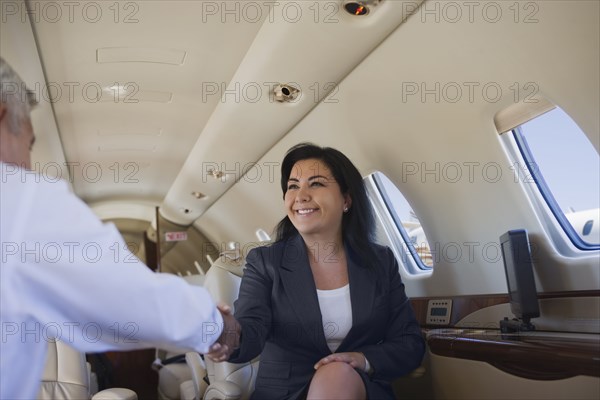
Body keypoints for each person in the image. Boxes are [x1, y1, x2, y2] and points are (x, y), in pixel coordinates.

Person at [0, 57, 240, 399]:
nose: (28, 163)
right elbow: (129, 299)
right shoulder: (16, 196)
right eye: (29, 144)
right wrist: (216, 325)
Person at [207, 143, 425, 399]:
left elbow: (409, 343)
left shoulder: (380, 262)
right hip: (284, 393)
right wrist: (227, 331)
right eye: (293, 186)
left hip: (357, 389)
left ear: (346, 199)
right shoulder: (266, 262)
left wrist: (362, 359)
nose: (301, 196)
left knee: (337, 373)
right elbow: (252, 327)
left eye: (317, 184)